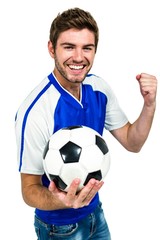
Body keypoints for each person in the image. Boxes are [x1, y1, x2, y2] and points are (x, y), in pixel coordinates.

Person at [15, 7, 157, 240]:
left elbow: (133, 142)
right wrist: (60, 200)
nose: (79, 57)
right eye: (69, 47)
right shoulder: (36, 111)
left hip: (95, 215)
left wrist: (149, 104)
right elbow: (28, 190)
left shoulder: (99, 88)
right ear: (52, 49)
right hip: (58, 229)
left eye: (87, 48)